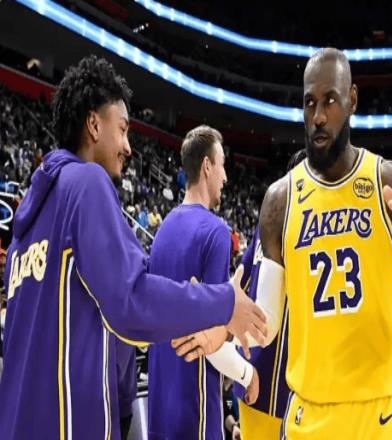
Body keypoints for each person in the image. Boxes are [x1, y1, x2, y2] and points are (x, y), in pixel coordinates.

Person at [174, 48, 392, 439]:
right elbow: (267, 326)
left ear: (352, 100)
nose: (318, 116)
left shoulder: (391, 183)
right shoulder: (280, 200)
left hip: (378, 418)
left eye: (330, 101)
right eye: (309, 103)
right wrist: (225, 325)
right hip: (308, 416)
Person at [0, 55, 266, 440]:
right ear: (94, 125)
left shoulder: (28, 222)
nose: (127, 146)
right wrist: (225, 302)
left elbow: (107, 324)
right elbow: (132, 301)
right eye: (122, 129)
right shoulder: (86, 184)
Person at [148, 125, 259, 440]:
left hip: (159, 404)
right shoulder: (214, 232)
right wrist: (247, 374)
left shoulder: (162, 231)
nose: (225, 177)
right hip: (194, 409)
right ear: (207, 166)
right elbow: (211, 338)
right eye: (222, 165)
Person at [234, 149, 306, 440]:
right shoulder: (297, 229)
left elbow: (238, 285)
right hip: (276, 381)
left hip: (257, 373)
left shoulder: (263, 227)